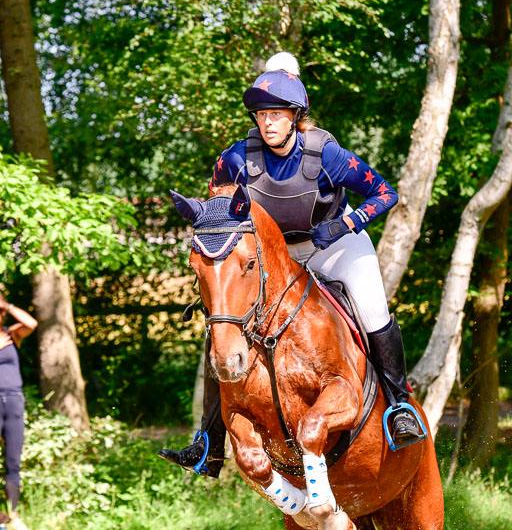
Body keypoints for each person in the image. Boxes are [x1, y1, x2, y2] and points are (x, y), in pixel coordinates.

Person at [159, 52, 423, 476]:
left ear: (296, 116)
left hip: (336, 247)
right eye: (261, 114)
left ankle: (398, 407)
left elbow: (385, 194)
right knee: (223, 330)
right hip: (272, 257)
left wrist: (345, 225)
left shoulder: (327, 155)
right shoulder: (235, 159)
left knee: (374, 311)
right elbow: (218, 209)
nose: (267, 122)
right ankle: (209, 441)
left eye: (277, 114)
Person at [0, 292, 38, 530]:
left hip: (14, 400)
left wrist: (9, 306)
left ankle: (12, 515)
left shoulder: (11, 334)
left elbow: (32, 323)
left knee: (14, 461)